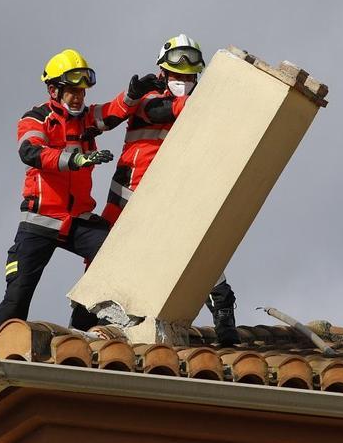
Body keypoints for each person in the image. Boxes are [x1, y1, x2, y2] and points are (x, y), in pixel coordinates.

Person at [96, 34, 242, 347]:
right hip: (133, 185)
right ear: (163, 71)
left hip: (178, 186)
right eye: (176, 72)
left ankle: (223, 312)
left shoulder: (202, 102)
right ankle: (88, 318)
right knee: (107, 254)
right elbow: (159, 111)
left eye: (189, 74)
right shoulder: (148, 94)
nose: (183, 78)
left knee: (198, 248)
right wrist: (209, 101)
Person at [0, 49, 120, 350]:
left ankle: (82, 329)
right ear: (53, 90)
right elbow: (30, 151)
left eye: (82, 91)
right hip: (40, 219)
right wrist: (75, 159)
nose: (78, 97)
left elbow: (113, 112)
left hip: (79, 219)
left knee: (112, 254)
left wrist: (134, 95)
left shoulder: (86, 119)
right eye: (72, 90)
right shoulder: (36, 118)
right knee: (18, 294)